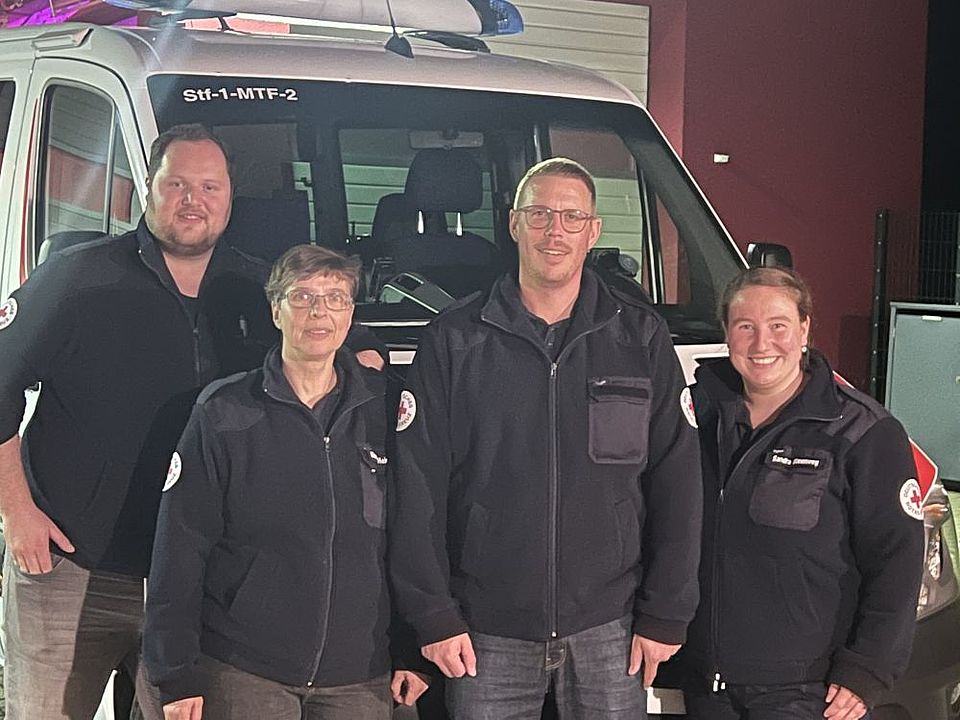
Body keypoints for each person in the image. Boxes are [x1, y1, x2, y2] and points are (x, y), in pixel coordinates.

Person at [0, 124, 382, 720]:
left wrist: (369, 361)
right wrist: (16, 511)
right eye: (176, 183)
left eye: (210, 186)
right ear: (144, 189)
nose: (192, 200)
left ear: (231, 198)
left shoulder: (260, 290)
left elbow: (337, 349)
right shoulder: (77, 279)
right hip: (76, 567)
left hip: (200, 585)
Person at [388, 157, 702, 718]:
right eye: (539, 214)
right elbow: (417, 488)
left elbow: (676, 481)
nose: (554, 231)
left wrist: (666, 613)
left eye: (571, 217)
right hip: (485, 630)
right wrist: (432, 613)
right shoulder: (455, 339)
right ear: (513, 224)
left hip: (611, 626)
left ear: (594, 231)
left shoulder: (640, 337)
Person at [142, 244, 427, 720]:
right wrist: (176, 671)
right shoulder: (224, 412)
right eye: (302, 297)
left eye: (335, 297)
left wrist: (416, 646)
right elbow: (180, 547)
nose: (320, 312)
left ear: (351, 313)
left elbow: (416, 534)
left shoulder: (388, 408)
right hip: (247, 672)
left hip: (361, 676)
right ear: (276, 311)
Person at [680, 267, 924, 720]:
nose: (761, 343)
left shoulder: (861, 432)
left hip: (807, 692)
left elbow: (897, 560)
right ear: (727, 333)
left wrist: (868, 668)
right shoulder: (695, 418)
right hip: (706, 686)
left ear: (805, 328)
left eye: (778, 326)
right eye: (745, 326)